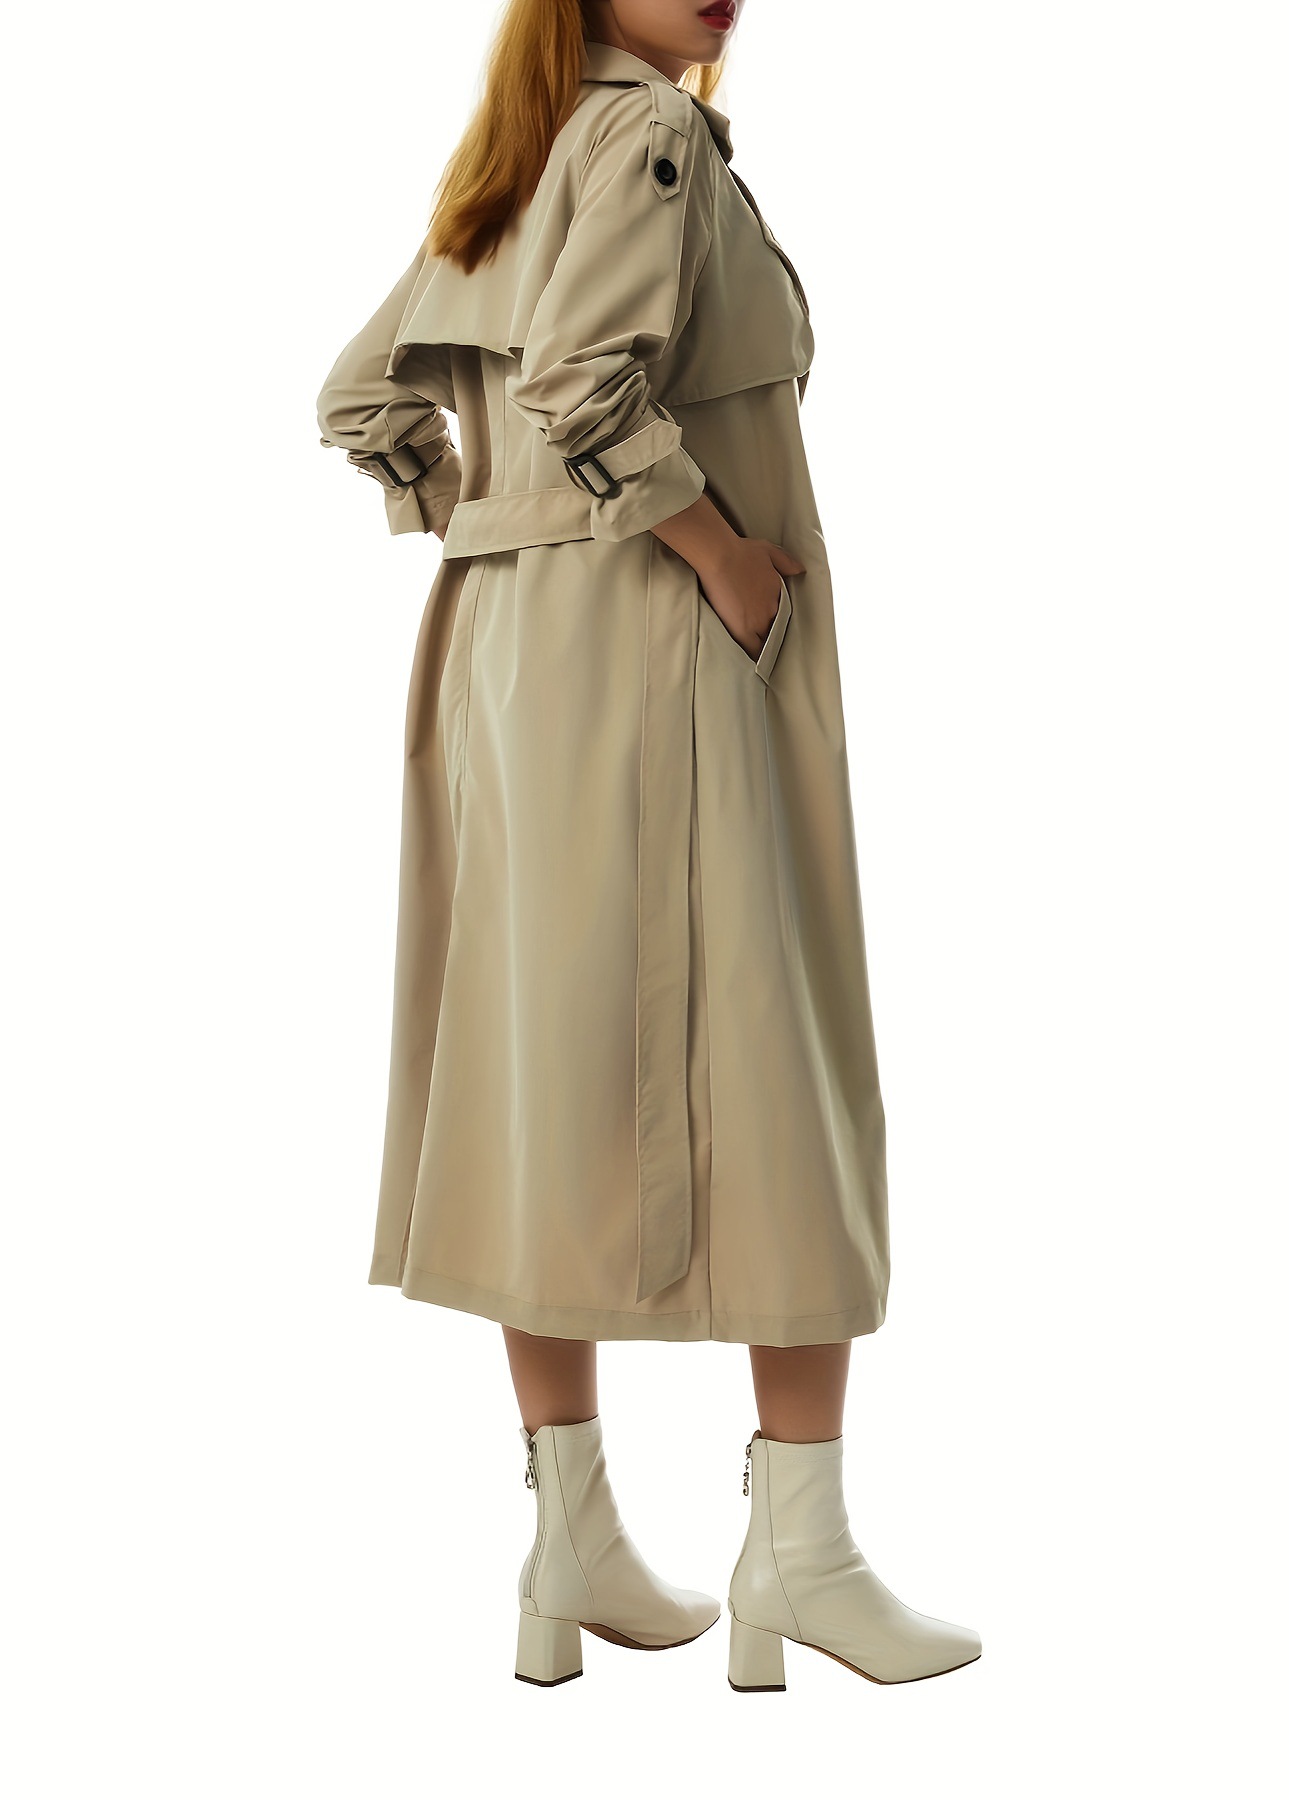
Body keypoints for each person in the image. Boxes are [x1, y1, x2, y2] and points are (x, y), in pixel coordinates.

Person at [315, 0, 980, 1691]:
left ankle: (572, 1539)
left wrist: (485, 521)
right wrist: (723, 558)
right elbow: (576, 378)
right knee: (780, 1059)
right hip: (656, 649)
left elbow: (364, 396)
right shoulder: (652, 137)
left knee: (540, 1067)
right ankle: (802, 1552)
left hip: (508, 669)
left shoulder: (519, 149)